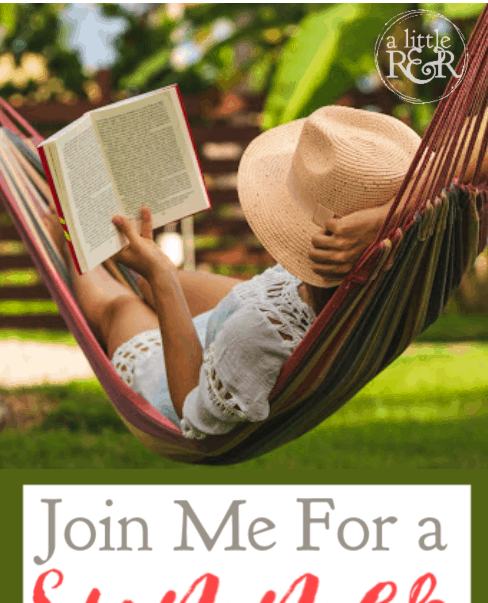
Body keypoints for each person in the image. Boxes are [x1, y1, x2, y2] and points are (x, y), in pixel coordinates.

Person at [44, 104, 487, 439]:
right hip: (271, 305)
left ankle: (69, 238)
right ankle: (133, 263)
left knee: (123, 304)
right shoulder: (400, 277)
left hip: (184, 376)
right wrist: (158, 276)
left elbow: (190, 411)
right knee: (149, 280)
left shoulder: (255, 337)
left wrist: (161, 276)